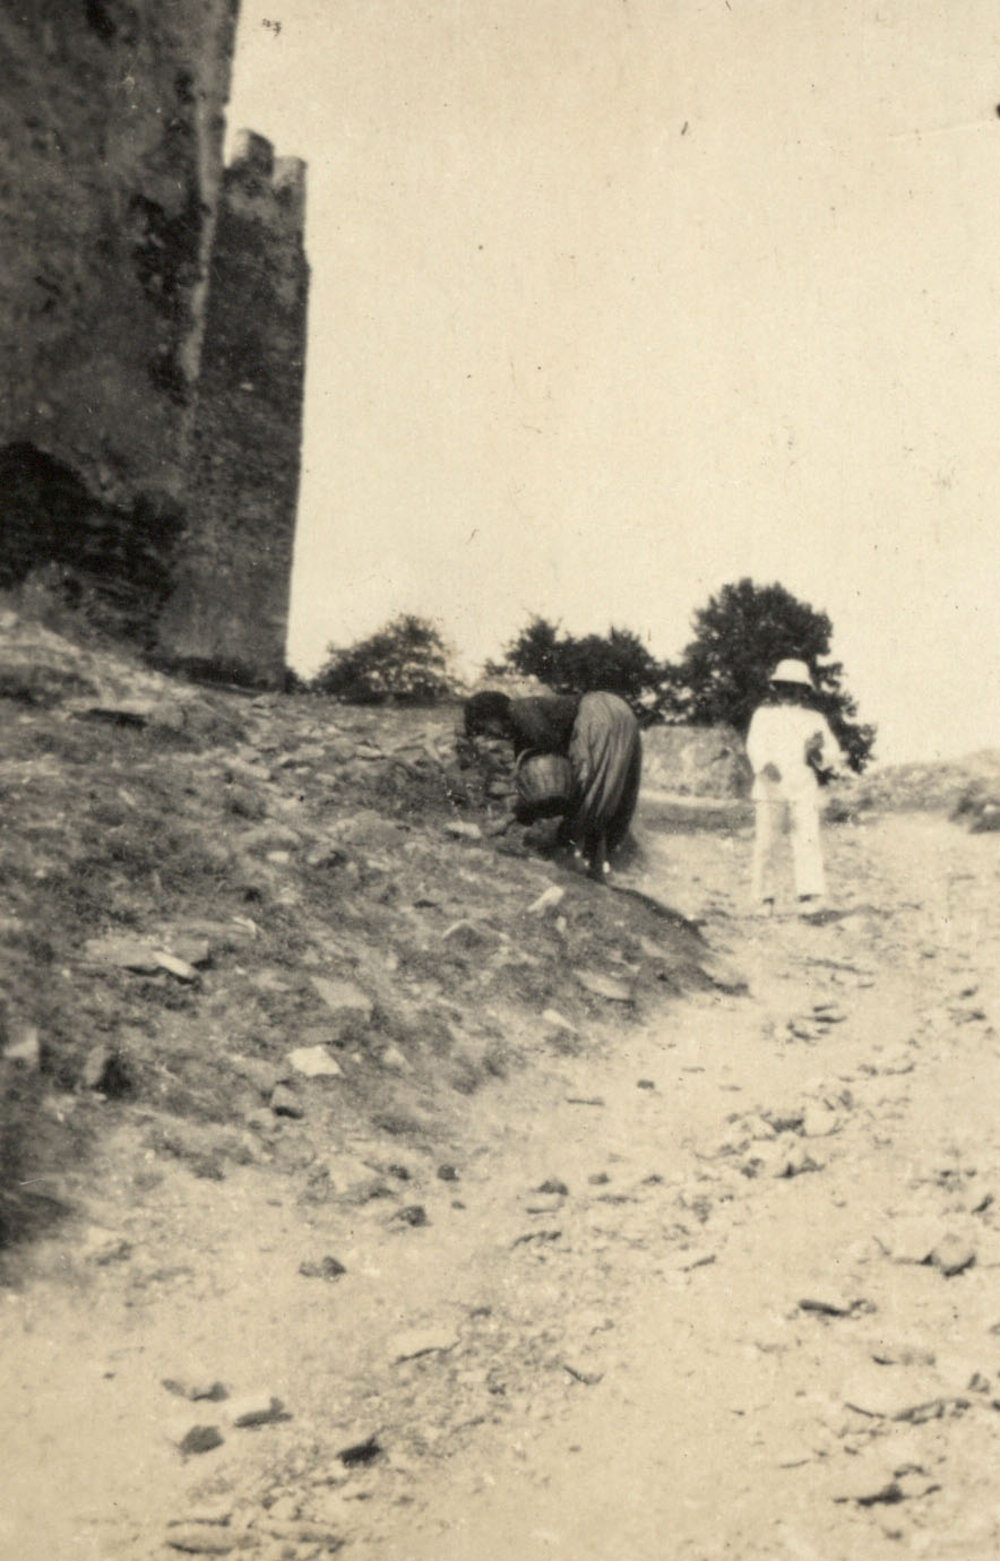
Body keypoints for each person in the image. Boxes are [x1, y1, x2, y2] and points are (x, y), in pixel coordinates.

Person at [464, 689, 642, 881]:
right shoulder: (526, 717)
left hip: (599, 714)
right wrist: (508, 821)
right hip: (621, 712)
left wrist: (543, 824)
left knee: (589, 795)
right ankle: (598, 867)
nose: (491, 735)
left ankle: (582, 863)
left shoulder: (519, 710)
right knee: (607, 795)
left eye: (486, 728)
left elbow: (549, 770)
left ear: (492, 715)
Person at [744, 659, 846, 916]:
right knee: (766, 842)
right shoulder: (763, 715)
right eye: (784, 686)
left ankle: (809, 896)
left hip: (802, 785)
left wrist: (817, 752)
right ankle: (763, 898)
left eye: (795, 686)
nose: (789, 691)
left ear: (804, 690)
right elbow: (754, 745)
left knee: (807, 839)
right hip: (771, 785)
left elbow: (832, 752)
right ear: (776, 688)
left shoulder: (815, 719)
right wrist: (765, 764)